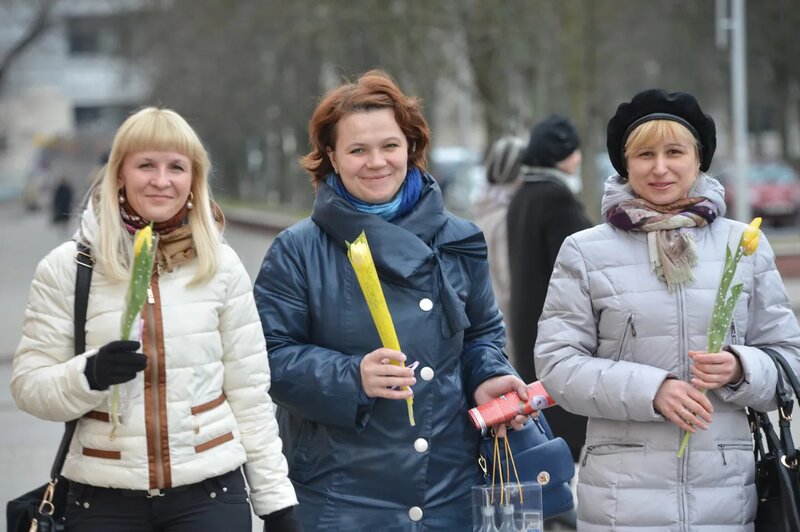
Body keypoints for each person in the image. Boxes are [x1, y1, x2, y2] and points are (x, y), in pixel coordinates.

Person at [253, 69, 529, 531]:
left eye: (389, 146)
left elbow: (482, 336)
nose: (376, 162)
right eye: (357, 150)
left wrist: (489, 375)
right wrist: (351, 376)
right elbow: (266, 358)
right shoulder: (297, 249)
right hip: (339, 498)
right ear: (332, 157)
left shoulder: (461, 238)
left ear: (411, 147)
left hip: (448, 491)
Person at [11, 107, 300, 532]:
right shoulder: (69, 267)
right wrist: (88, 375)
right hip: (102, 499)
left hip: (209, 496)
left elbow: (249, 395)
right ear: (119, 175)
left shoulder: (220, 266)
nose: (161, 180)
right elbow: (28, 386)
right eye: (146, 165)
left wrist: (276, 503)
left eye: (176, 167)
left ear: (193, 179)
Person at [534, 88, 800, 530]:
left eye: (674, 152)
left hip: (727, 502)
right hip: (621, 504)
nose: (660, 168)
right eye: (645, 154)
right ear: (625, 164)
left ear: (698, 160)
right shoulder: (585, 251)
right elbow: (557, 367)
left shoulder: (744, 246)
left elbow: (790, 362)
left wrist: (741, 368)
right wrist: (652, 390)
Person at [507, 115, 592, 463]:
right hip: (557, 317)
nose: (579, 157)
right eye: (574, 150)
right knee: (563, 412)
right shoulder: (557, 198)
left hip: (529, 316)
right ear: (562, 154)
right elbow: (578, 262)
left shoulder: (523, 194)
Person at [473, 135, 526, 362]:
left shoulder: (483, 207)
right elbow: (509, 279)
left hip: (485, 313)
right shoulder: (507, 216)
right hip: (503, 318)